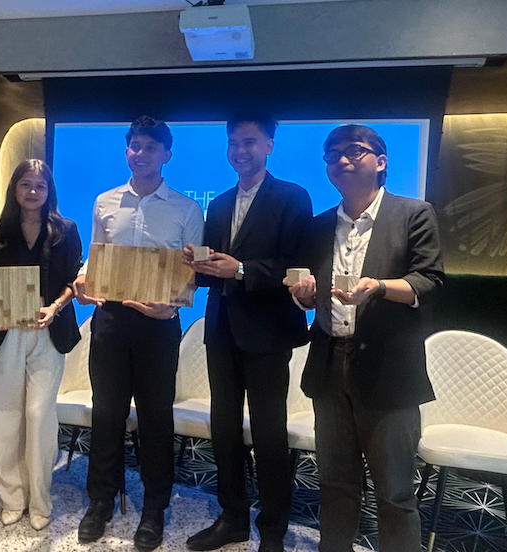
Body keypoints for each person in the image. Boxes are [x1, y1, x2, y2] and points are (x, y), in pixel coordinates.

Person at [285, 125, 443, 552]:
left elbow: (429, 281)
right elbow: (311, 293)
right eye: (332, 154)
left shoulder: (412, 213)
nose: (341, 159)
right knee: (335, 483)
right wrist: (304, 296)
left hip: (388, 368)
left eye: (354, 150)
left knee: (394, 492)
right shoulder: (318, 226)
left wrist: (379, 287)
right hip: (329, 365)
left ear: (381, 161)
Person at [181, 115, 312, 552]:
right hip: (221, 328)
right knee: (223, 428)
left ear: (269, 145)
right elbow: (212, 270)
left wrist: (240, 270)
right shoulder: (218, 204)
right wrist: (195, 263)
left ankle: (272, 529)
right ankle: (232, 518)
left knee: (270, 432)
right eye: (233, 143)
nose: (240, 151)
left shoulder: (292, 197)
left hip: (268, 332)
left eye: (250, 142)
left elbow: (296, 266)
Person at [74, 116, 204, 551]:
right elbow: (95, 257)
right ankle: (101, 501)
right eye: (134, 145)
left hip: (159, 324)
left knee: (155, 417)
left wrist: (174, 305)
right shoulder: (105, 201)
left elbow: (193, 271)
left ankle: (154, 509)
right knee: (106, 413)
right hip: (111, 319)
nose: (140, 153)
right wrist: (83, 278)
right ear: (126, 150)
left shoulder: (187, 208)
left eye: (150, 147)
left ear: (166, 154)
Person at [0, 159, 83, 531]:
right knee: (7, 415)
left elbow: (74, 280)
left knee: (39, 415)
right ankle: (12, 497)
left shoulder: (66, 229)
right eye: (26, 184)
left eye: (40, 185)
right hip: (8, 330)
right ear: (15, 188)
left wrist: (55, 307)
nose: (32, 191)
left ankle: (40, 500)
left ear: (49, 191)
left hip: (49, 329)